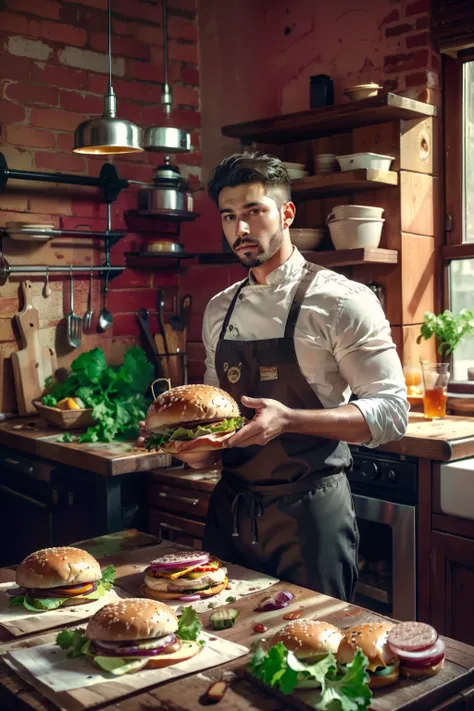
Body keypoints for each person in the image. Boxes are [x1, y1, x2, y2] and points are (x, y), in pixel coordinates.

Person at [149, 152, 409, 602]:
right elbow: (219, 428)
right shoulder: (218, 309)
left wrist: (289, 420)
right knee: (222, 648)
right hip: (230, 511)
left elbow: (391, 413)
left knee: (310, 659)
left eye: (254, 211)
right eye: (229, 216)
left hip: (310, 519)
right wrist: (192, 448)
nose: (241, 229)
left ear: (286, 214)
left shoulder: (342, 301)